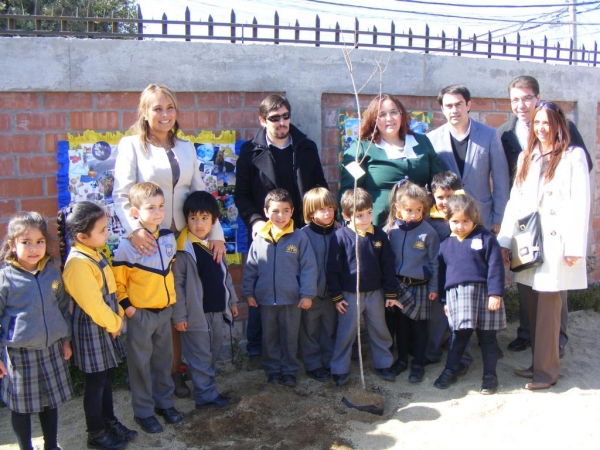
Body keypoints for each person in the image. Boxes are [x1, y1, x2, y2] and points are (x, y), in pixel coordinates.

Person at [113, 83, 225, 397]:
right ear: (145, 113)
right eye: (157, 109)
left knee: (183, 307)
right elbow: (121, 195)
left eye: (170, 108)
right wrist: (135, 230)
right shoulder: (131, 145)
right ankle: (157, 376)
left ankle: (179, 371)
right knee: (156, 310)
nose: (165, 114)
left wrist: (216, 234)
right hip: (149, 241)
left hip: (185, 241)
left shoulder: (187, 147)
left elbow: (200, 194)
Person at [497, 76, 593, 355]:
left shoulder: (564, 126)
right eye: (515, 99)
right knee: (526, 282)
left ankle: (556, 341)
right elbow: (511, 184)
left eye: (526, 97)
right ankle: (528, 333)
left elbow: (579, 175)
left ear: (537, 98)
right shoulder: (506, 131)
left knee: (553, 286)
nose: (521, 104)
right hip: (525, 222)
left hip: (553, 222)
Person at [235, 94, 327, 370]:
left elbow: (319, 187)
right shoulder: (250, 152)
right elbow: (241, 195)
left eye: (286, 116)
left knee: (302, 291)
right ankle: (257, 352)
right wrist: (254, 221)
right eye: (275, 118)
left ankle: (299, 353)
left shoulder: (306, 147)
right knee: (264, 290)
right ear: (262, 121)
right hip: (266, 233)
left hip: (300, 232)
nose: (282, 122)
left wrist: (317, 221)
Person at [59, 202, 135, 450]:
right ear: (82, 236)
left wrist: (119, 314)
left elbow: (110, 289)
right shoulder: (78, 264)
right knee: (96, 383)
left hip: (105, 324)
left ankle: (109, 421)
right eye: (102, 230)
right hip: (93, 327)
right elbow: (93, 304)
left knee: (104, 379)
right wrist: (115, 322)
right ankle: (96, 432)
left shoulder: (95, 252)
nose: (107, 234)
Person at [112, 183, 183, 433]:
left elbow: (169, 272)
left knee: (164, 361)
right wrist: (130, 310)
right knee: (140, 364)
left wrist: (171, 303)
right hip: (141, 315)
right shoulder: (128, 245)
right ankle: (143, 411)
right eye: (150, 208)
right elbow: (118, 283)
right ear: (134, 212)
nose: (157, 212)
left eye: (161, 206)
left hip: (164, 312)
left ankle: (164, 402)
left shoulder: (167, 237)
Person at [0, 212, 73, 450]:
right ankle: (25, 447)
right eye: (26, 242)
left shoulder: (52, 273)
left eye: (39, 241)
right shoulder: (5, 279)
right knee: (21, 407)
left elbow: (62, 307)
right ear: (12, 244)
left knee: (49, 403)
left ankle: (51, 445)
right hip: (20, 355)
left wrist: (66, 340)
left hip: (51, 349)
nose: (34, 248)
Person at [241, 188, 317, 387]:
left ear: (292, 211)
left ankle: (290, 371)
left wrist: (307, 294)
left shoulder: (299, 238)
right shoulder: (259, 239)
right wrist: (248, 292)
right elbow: (251, 268)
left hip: (292, 300)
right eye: (275, 211)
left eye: (285, 210)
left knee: (290, 338)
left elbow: (309, 268)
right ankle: (273, 370)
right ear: (266, 212)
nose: (280, 215)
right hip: (265, 300)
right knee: (270, 338)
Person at [326, 188, 401, 387]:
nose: (366, 218)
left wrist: (390, 292)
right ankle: (339, 369)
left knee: (380, 330)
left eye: (369, 212)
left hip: (375, 293)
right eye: (359, 215)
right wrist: (336, 296)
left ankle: (383, 364)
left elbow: (387, 266)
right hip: (349, 295)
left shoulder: (379, 236)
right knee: (346, 332)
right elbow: (332, 269)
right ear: (347, 215)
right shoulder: (340, 236)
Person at [172, 191, 239, 409]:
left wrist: (232, 301)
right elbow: (178, 287)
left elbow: (224, 275)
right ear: (186, 219)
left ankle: (207, 388)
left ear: (213, 220)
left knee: (213, 351)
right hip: (195, 315)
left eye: (204, 218)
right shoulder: (183, 250)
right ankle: (205, 396)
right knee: (199, 356)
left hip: (217, 310)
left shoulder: (214, 245)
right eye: (193, 218)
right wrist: (180, 316)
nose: (199, 224)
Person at [434, 195, 506, 395]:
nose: (460, 226)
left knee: (488, 337)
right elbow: (442, 275)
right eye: (455, 221)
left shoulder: (485, 238)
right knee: (459, 335)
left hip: (484, 294)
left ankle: (490, 376)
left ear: (474, 218)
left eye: (465, 221)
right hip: (458, 295)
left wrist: (495, 294)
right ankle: (450, 370)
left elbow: (495, 267)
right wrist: (444, 300)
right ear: (447, 220)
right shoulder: (445, 245)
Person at [340, 94, 443, 227]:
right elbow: (349, 190)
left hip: (418, 223)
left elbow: (438, 183)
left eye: (394, 112)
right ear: (373, 119)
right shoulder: (361, 148)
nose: (389, 118)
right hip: (377, 225)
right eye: (381, 114)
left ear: (402, 115)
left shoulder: (421, 142)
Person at [427, 84, 509, 233]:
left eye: (459, 104)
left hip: (482, 217)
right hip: (447, 222)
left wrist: (499, 218)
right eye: (449, 106)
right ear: (443, 109)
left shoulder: (489, 135)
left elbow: (501, 180)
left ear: (468, 105)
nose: (454, 110)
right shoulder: (432, 139)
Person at [386, 181, 440, 384]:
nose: (414, 214)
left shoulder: (429, 233)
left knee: (419, 327)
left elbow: (435, 262)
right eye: (408, 210)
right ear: (397, 208)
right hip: (399, 287)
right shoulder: (392, 231)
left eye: (419, 210)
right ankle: (401, 360)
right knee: (401, 326)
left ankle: (418, 363)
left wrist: (434, 287)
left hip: (421, 287)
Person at [424, 172, 473, 374]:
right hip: (437, 277)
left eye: (450, 196)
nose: (445, 202)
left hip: (460, 276)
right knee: (436, 317)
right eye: (440, 197)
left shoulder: (467, 218)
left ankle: (463, 357)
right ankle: (432, 352)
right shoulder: (428, 219)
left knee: (461, 318)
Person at [299, 187, 338, 382]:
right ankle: (313, 365)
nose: (327, 212)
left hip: (332, 294)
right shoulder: (302, 235)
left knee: (329, 329)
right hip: (311, 295)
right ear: (310, 211)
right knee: (310, 331)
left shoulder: (339, 232)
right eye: (322, 209)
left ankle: (330, 362)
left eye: (330, 208)